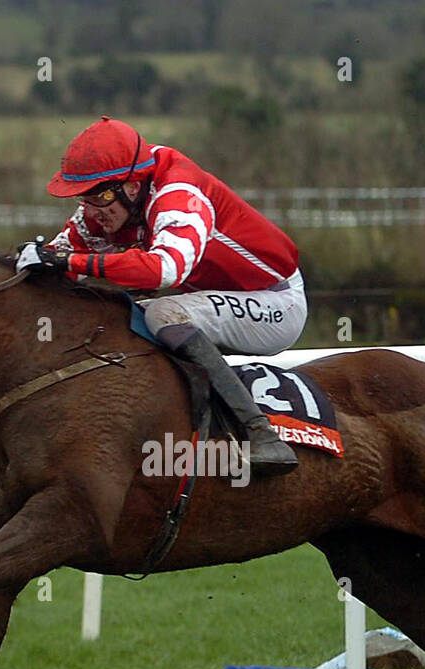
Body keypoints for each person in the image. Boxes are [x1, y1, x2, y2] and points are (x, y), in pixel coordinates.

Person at [15, 116, 305, 476]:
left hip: (275, 300)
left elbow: (164, 270)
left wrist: (71, 260)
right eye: (83, 197)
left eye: (101, 196)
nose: (91, 211)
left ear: (132, 186)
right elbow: (62, 262)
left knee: (161, 313)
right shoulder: (107, 204)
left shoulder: (179, 194)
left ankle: (262, 437)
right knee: (116, 313)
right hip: (214, 298)